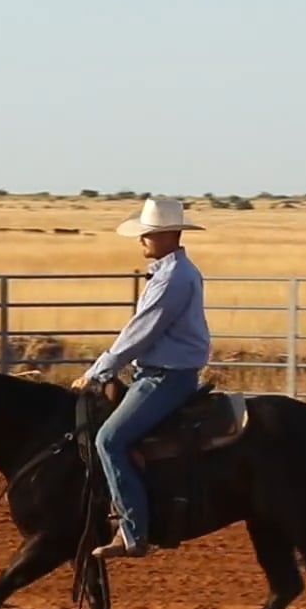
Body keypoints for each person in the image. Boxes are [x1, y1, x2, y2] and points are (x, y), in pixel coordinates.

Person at [73, 196, 213, 558]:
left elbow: (141, 331)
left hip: (166, 377)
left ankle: (133, 532)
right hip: (158, 373)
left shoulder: (172, 278)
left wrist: (98, 371)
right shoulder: (173, 272)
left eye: (147, 233)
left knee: (109, 440)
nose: (141, 239)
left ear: (168, 235)